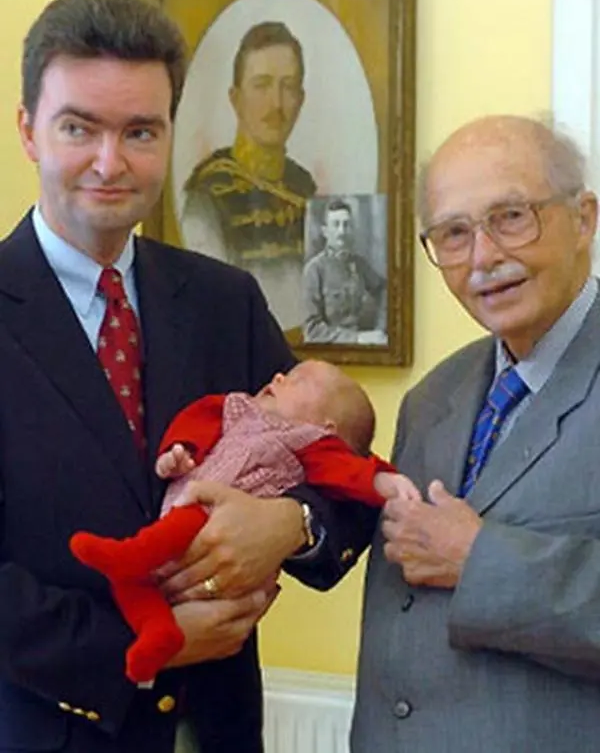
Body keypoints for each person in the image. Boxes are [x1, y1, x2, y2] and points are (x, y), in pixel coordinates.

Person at [0, 0, 371, 753]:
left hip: (220, 730)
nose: (111, 162)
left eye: (140, 131)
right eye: (80, 127)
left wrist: (288, 525)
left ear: (171, 135)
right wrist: (138, 647)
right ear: (29, 130)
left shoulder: (222, 301)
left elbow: (344, 473)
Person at [351, 115, 600, 752]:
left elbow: (459, 558)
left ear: (585, 219)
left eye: (511, 216)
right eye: (454, 234)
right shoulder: (432, 399)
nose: (484, 257)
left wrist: (480, 561)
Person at [71, 360, 407, 684]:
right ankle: (157, 632)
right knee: (135, 586)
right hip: (68, 692)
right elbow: (199, 418)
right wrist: (180, 449)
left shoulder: (308, 442)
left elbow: (349, 473)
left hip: (208, 515)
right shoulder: (236, 408)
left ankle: (127, 555)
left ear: (326, 429)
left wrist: (383, 483)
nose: (278, 375)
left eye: (298, 380)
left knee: (184, 523)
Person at [179, 21, 315, 333]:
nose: (276, 104)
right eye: (262, 85)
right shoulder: (207, 195)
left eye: (288, 87)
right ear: (235, 98)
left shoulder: (305, 189)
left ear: (302, 99)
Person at [303, 198, 387, 343]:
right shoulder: (314, 270)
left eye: (346, 225)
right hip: (331, 352)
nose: (342, 231)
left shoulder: (359, 264)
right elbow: (312, 331)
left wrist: (380, 327)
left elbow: (385, 289)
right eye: (336, 225)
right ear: (325, 231)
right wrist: (357, 338)